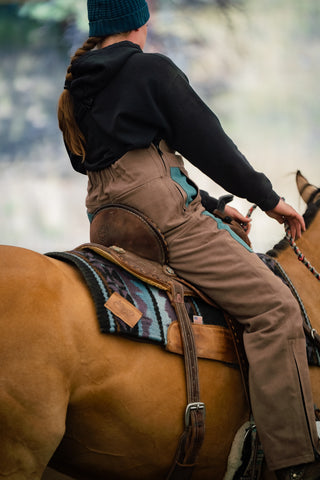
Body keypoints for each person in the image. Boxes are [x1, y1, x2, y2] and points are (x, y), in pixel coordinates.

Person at [58, 1, 320, 478]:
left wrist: (216, 207)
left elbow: (128, 163)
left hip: (111, 220)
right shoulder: (149, 68)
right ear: (139, 20)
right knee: (276, 309)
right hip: (163, 218)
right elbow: (207, 142)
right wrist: (268, 198)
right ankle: (295, 465)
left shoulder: (75, 88)